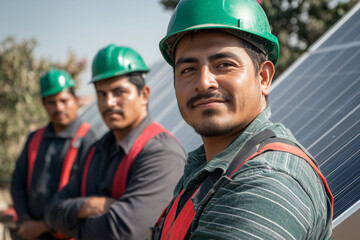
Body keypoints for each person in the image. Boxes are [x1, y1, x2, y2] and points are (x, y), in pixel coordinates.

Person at [150, 0, 333, 239]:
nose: (204, 82)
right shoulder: (203, 169)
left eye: (224, 65)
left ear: (264, 77)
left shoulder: (270, 182)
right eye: (188, 70)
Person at [44, 44, 187, 240]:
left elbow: (126, 233)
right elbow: (52, 211)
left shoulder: (162, 153)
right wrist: (88, 205)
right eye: (101, 94)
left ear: (144, 94)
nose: (109, 102)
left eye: (118, 92)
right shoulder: (97, 150)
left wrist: (75, 224)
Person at [10, 68, 97, 240]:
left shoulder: (89, 140)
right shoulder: (35, 139)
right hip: (31, 234)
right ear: (43, 104)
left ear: (76, 100)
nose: (59, 107)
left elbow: (90, 198)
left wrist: (43, 226)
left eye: (64, 100)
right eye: (51, 102)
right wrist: (26, 220)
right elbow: (17, 182)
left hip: (68, 235)